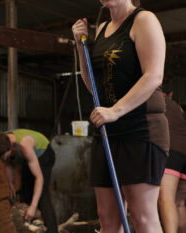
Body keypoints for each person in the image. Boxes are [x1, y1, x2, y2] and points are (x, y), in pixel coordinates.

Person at [72, 0, 168, 233]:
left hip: (140, 128)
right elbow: (93, 84)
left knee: (142, 215)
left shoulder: (143, 20)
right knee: (107, 217)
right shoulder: (103, 28)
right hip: (107, 129)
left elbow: (154, 75)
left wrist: (116, 110)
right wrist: (79, 44)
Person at [0, 129, 57, 233]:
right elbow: (7, 162)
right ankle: (31, 228)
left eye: (4, 155)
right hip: (30, 157)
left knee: (42, 194)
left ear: (11, 147)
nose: (3, 159)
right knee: (25, 192)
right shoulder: (3, 141)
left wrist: (33, 206)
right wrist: (11, 185)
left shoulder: (24, 145)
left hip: (44, 154)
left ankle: (53, 230)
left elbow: (39, 178)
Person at [159, 92, 186, 233]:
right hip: (184, 151)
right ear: (169, 94)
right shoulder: (176, 106)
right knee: (179, 203)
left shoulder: (153, 101)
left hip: (171, 150)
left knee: (166, 199)